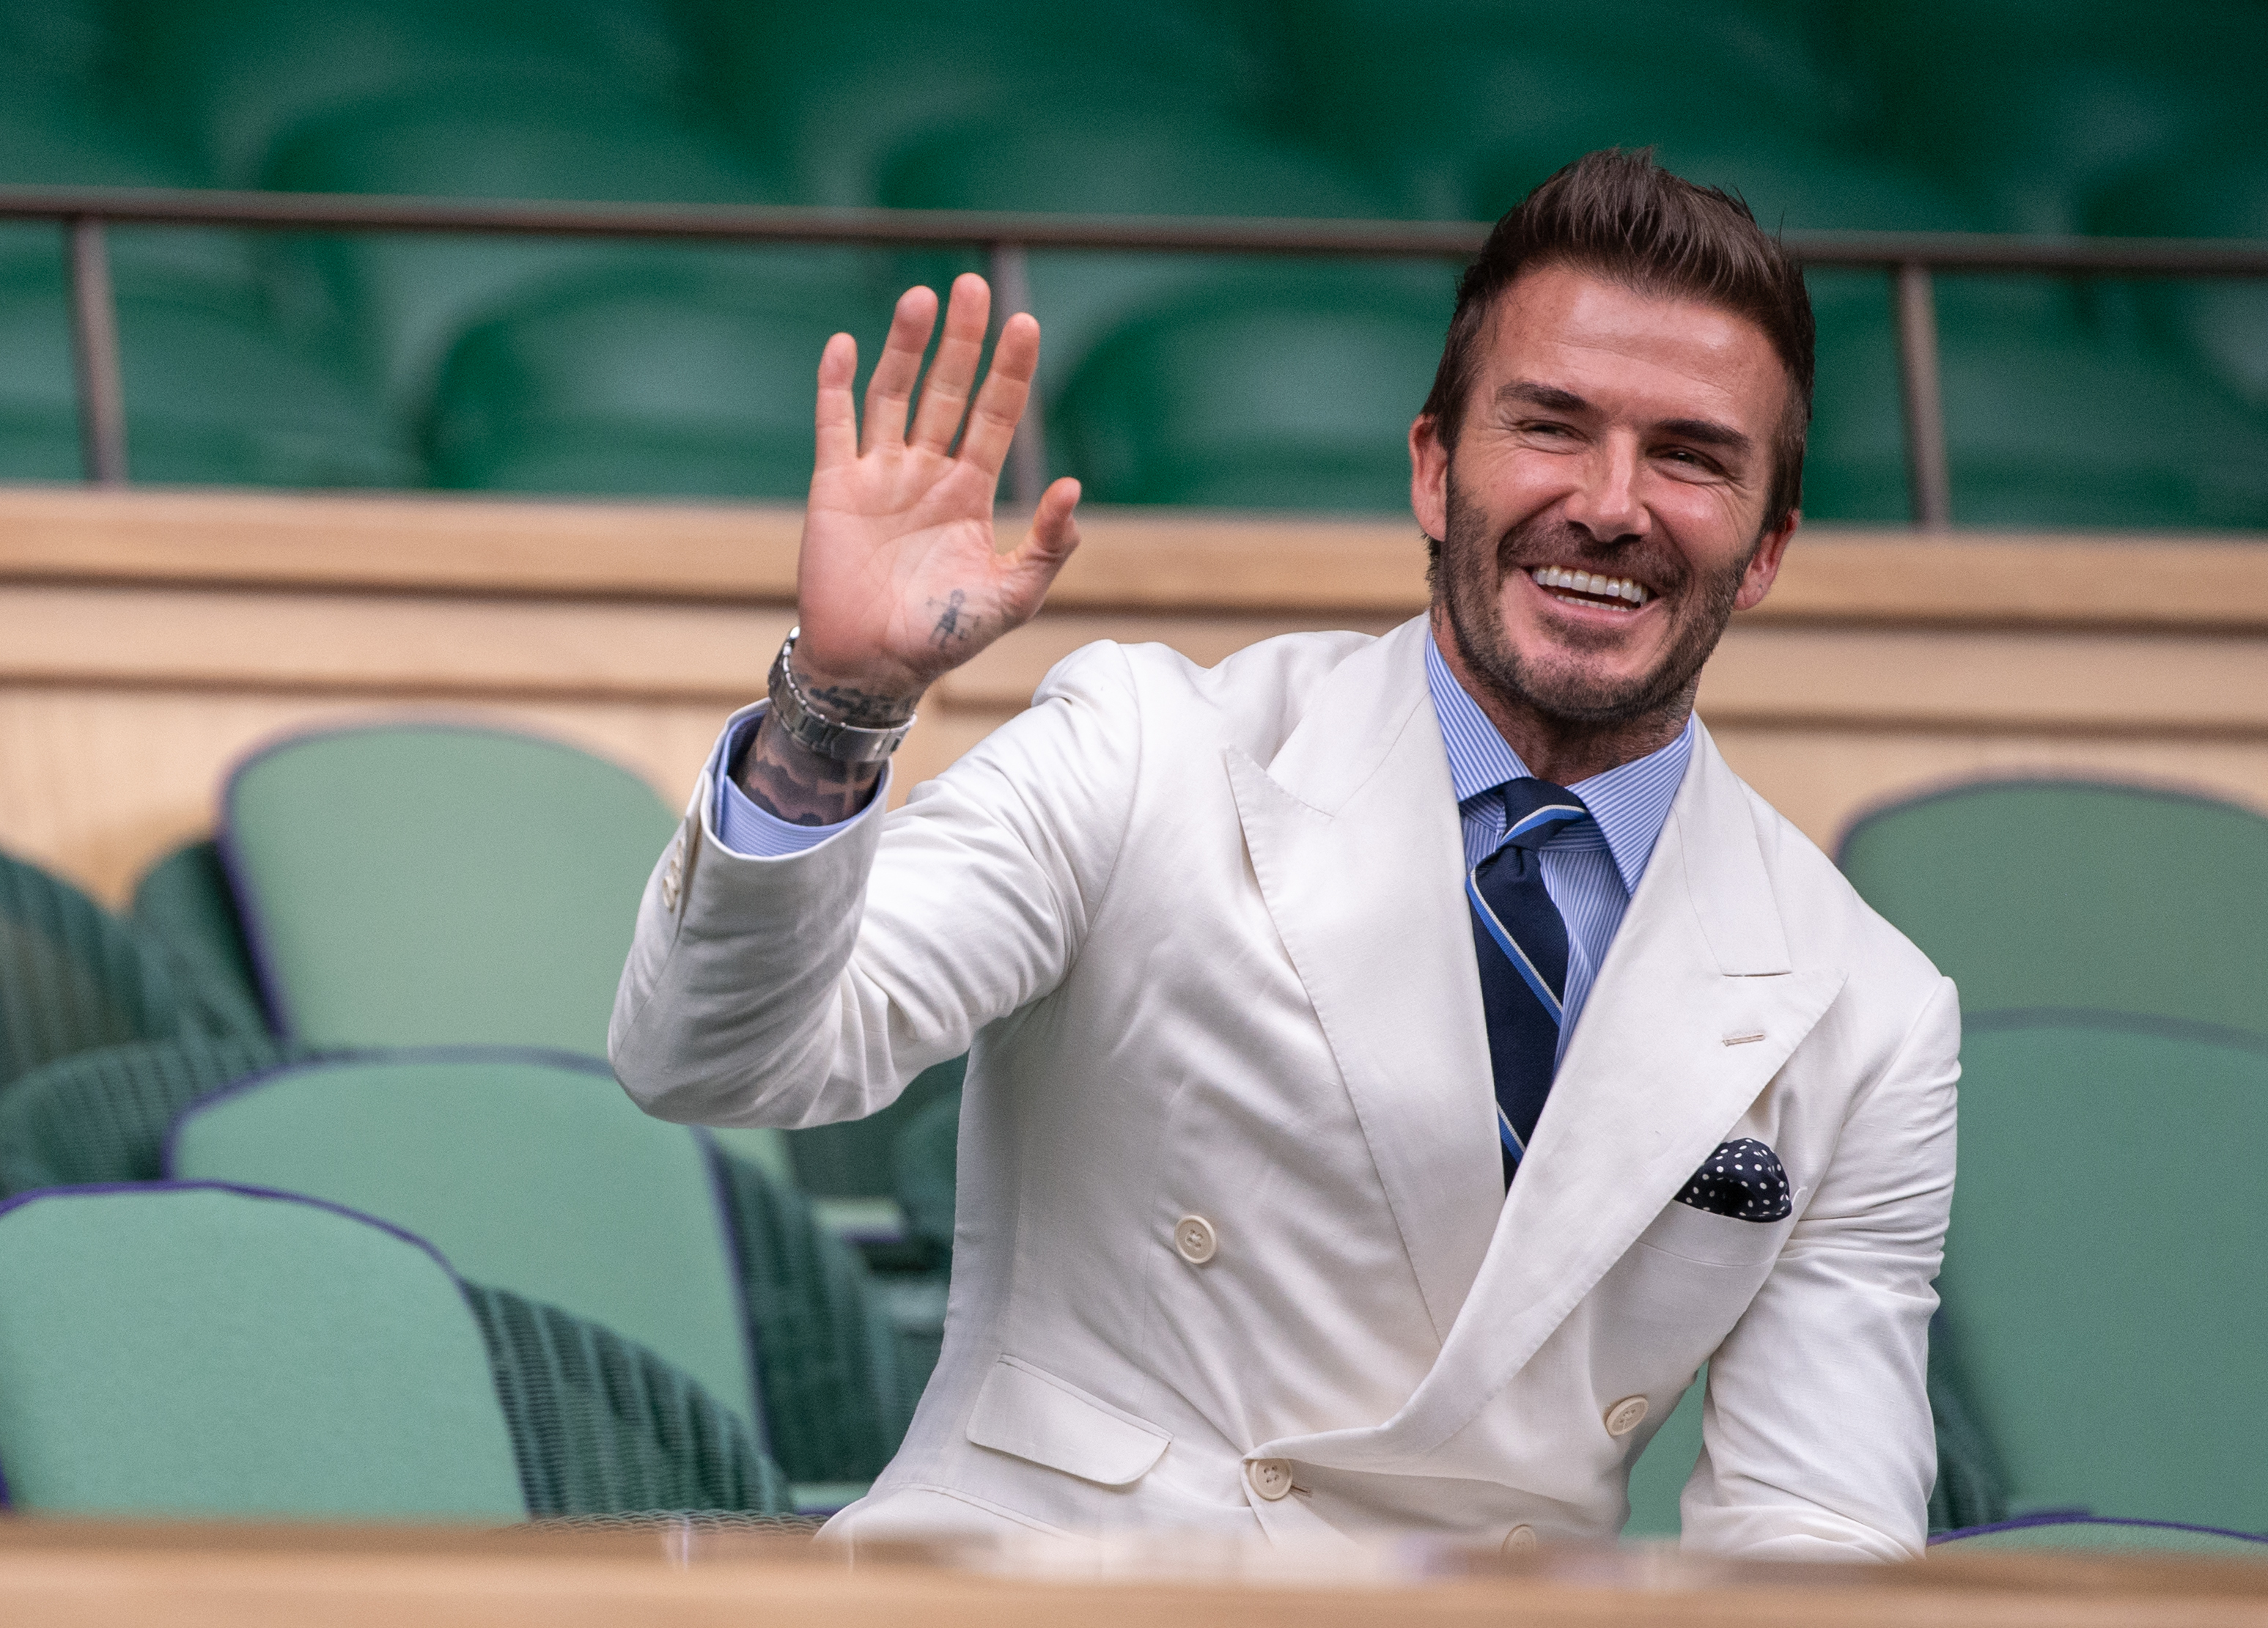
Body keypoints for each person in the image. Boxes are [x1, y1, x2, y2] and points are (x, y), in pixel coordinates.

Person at [611, 150, 1958, 1559]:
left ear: (1764, 548)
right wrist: (836, 710)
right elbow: (717, 1058)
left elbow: (1814, 1531)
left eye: (1688, 456)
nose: (1611, 504)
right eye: (1550, 426)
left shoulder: (1866, 1007)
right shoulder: (1145, 750)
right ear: (1434, 470)